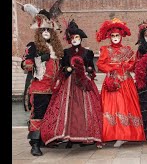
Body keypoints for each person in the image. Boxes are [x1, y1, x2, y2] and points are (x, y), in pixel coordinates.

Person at [40, 19, 103, 149]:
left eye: (77, 37)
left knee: (85, 108)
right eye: (73, 37)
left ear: (81, 38)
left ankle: (85, 135)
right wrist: (67, 69)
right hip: (69, 84)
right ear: (70, 39)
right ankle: (68, 136)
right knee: (68, 109)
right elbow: (63, 68)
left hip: (84, 83)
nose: (75, 39)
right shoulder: (66, 52)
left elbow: (91, 67)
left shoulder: (88, 53)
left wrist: (89, 70)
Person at [20, 9, 64, 156]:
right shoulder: (33, 45)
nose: (46, 32)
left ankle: (47, 139)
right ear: (39, 31)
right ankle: (35, 144)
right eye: (43, 29)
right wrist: (38, 59)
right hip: (40, 88)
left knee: (51, 115)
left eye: (48, 29)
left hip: (55, 89)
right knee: (38, 115)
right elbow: (25, 64)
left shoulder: (57, 49)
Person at [96, 18, 145, 147]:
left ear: (121, 36)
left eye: (117, 35)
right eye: (113, 35)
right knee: (110, 107)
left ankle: (124, 135)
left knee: (125, 106)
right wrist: (112, 68)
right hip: (112, 82)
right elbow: (100, 64)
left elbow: (132, 63)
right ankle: (110, 134)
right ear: (109, 37)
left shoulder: (127, 50)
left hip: (125, 83)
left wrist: (125, 66)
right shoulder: (105, 50)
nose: (115, 37)